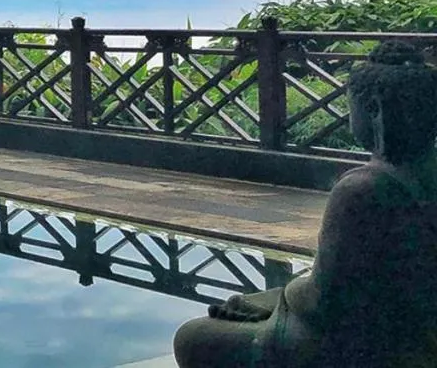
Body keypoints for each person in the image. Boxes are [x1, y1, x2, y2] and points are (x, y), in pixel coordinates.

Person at [173, 40, 437, 368]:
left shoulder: (362, 190)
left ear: (373, 109)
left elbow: (323, 305)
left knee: (193, 337)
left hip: (369, 348)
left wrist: (277, 298)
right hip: (421, 335)